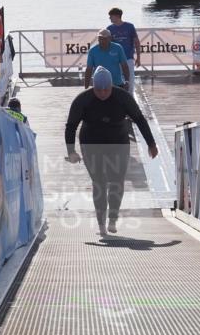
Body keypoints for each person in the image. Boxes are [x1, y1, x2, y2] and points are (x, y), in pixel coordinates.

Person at [65, 67, 159, 235]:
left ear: (111, 86)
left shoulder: (123, 97)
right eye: (98, 90)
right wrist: (71, 151)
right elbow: (71, 126)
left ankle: (113, 219)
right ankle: (101, 223)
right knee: (99, 182)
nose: (102, 93)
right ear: (93, 87)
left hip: (118, 142)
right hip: (91, 143)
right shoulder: (83, 100)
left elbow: (139, 119)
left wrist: (151, 143)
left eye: (106, 90)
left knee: (117, 181)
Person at [106, 7, 141, 97]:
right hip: (115, 59)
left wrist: (138, 57)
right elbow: (108, 45)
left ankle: (130, 98)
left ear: (117, 16)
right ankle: (117, 98)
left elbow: (136, 42)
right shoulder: (109, 28)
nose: (109, 18)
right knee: (115, 80)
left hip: (128, 58)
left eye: (111, 16)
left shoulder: (129, 26)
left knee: (130, 79)